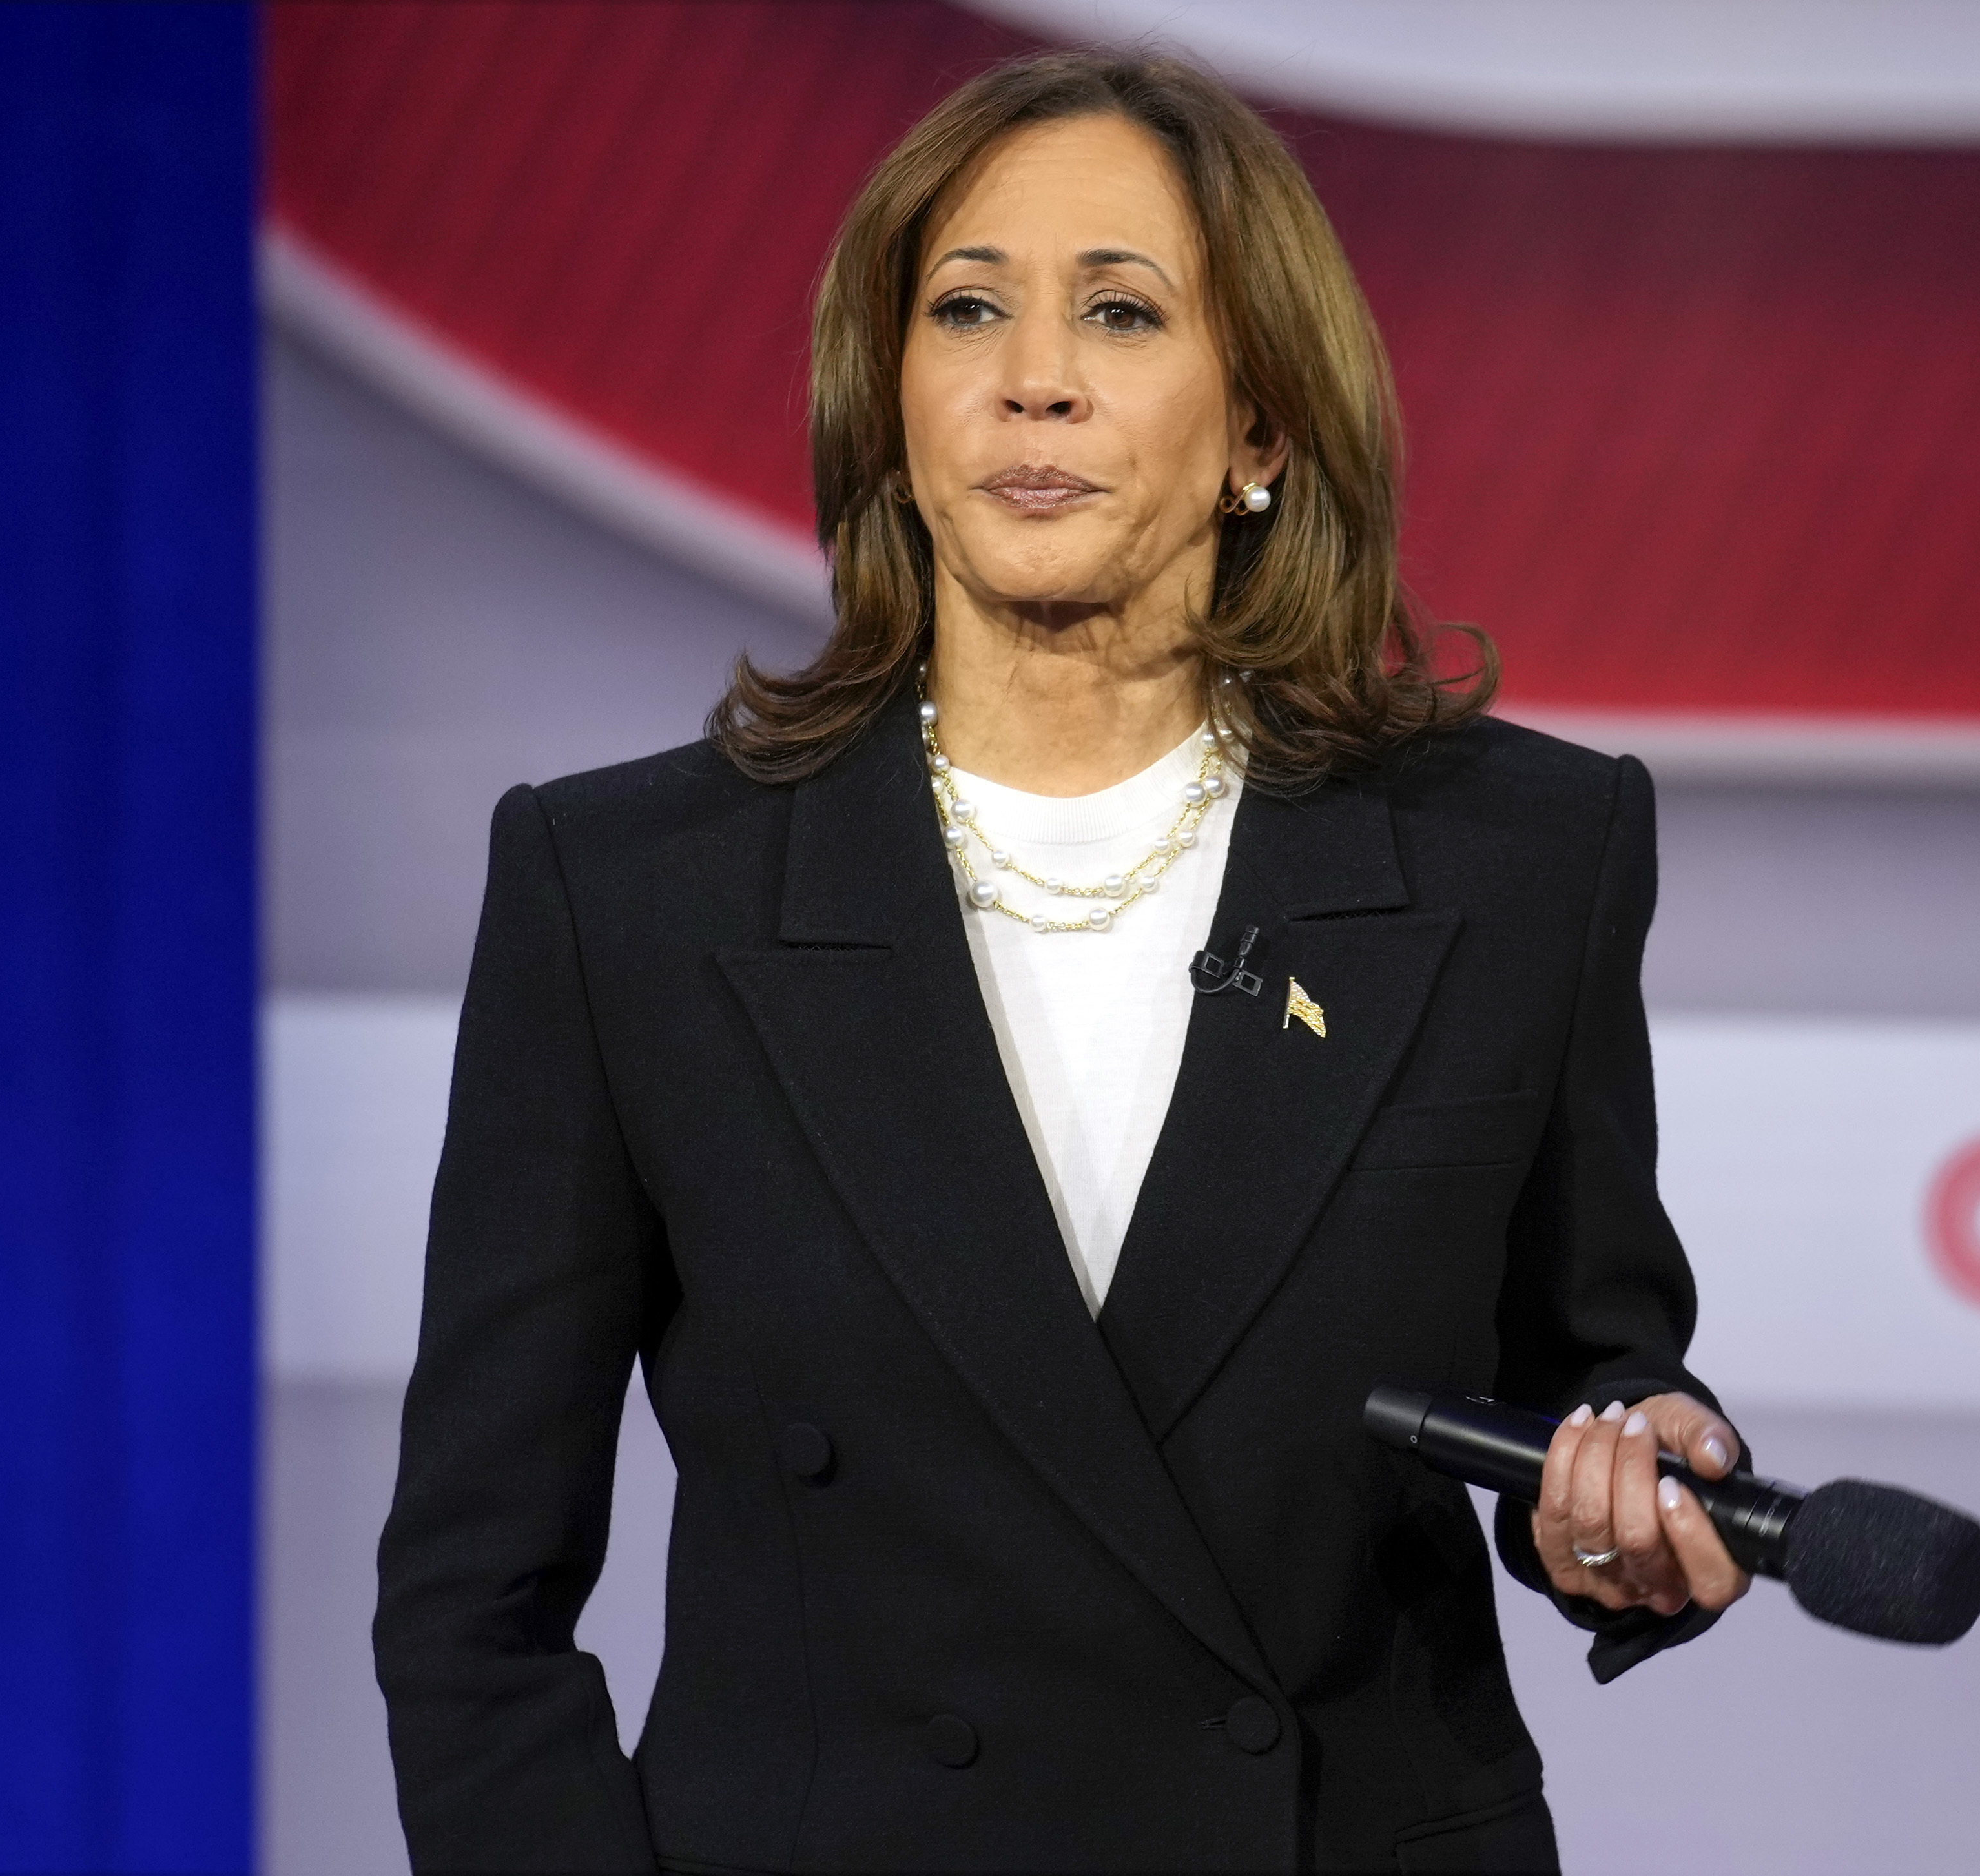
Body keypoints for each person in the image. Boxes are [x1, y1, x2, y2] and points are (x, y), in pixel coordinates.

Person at [375, 48, 1748, 1876]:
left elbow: (1592, 1362)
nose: (1035, 375)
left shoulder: (1521, 861)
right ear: (896, 405)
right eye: (967, 309)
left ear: (1261, 427)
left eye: (1120, 309)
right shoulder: (627, 887)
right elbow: (474, 1594)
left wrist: (1629, 1489)